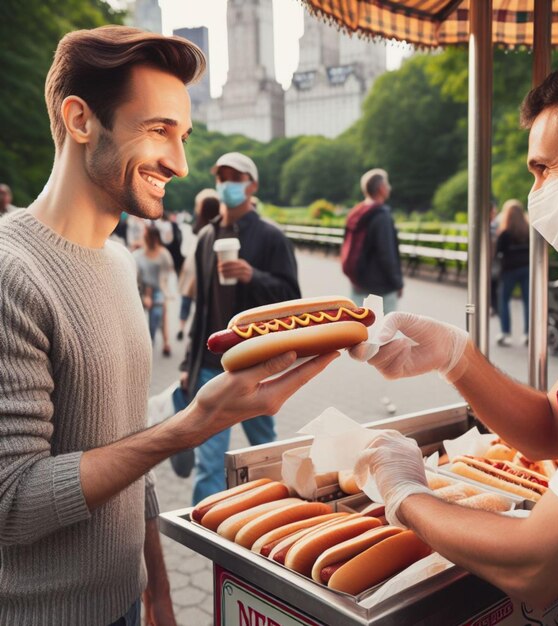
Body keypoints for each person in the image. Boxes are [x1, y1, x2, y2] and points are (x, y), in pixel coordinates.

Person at [0, 26, 337, 626]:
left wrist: (156, 587)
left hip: (127, 602)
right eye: (159, 130)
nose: (180, 163)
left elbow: (124, 451)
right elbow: (13, 503)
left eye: (182, 135)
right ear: (80, 120)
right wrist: (194, 423)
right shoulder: (12, 274)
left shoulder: (119, 261)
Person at [353, 43, 558, 626]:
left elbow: (536, 563)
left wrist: (406, 496)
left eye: (544, 168)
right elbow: (556, 428)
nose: (537, 192)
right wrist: (458, 356)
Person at [178, 152, 301, 503]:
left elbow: (292, 296)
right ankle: (210, 533)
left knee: (265, 452)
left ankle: (279, 510)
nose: (227, 184)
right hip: (209, 366)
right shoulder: (206, 236)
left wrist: (253, 276)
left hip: (257, 365)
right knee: (208, 462)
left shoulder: (270, 237)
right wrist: (189, 364)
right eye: (222, 177)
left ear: (252, 185)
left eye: (236, 177)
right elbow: (202, 306)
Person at [343, 168, 403, 312]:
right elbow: (386, 254)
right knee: (386, 328)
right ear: (381, 188)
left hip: (358, 281)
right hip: (382, 285)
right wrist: (397, 283)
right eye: (387, 184)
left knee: (360, 326)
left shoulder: (355, 213)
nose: (389, 188)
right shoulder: (381, 216)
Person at [177, 188, 221, 341]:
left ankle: (182, 326)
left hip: (191, 267)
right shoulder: (218, 230)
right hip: (208, 268)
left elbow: (185, 249)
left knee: (186, 300)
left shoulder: (195, 229)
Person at [134, 222, 175, 355]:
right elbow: (136, 277)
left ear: (155, 238)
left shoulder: (164, 254)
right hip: (142, 288)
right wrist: (145, 294)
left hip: (158, 289)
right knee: (137, 316)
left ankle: (164, 342)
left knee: (160, 314)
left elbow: (165, 276)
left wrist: (161, 294)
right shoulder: (138, 254)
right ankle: (142, 342)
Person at [494, 199, 530, 346]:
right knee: (528, 302)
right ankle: (528, 333)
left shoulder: (505, 233)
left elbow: (498, 252)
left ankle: (506, 333)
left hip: (509, 270)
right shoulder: (528, 231)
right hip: (527, 268)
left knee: (504, 300)